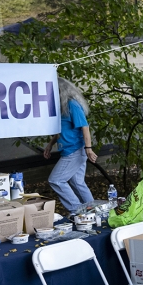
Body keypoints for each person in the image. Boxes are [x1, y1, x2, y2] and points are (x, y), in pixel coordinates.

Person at [44, 78, 97, 213]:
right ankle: (95, 211)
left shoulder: (72, 104)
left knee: (56, 180)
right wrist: (50, 144)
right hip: (70, 150)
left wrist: (88, 149)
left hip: (74, 151)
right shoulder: (62, 107)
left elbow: (85, 127)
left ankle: (77, 210)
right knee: (78, 183)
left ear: (61, 91)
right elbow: (62, 130)